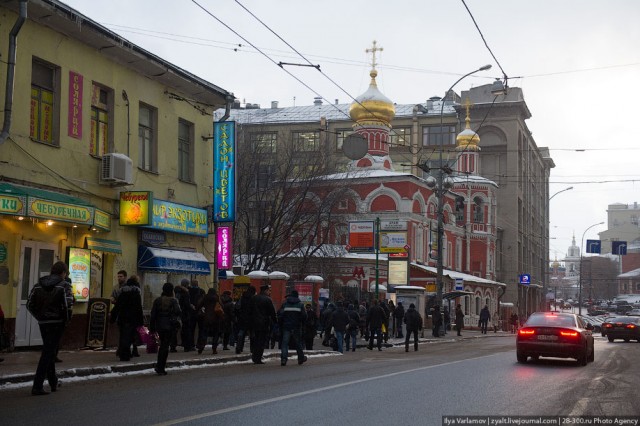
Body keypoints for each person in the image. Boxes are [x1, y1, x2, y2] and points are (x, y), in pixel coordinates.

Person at [26, 261, 70, 395]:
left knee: (49, 350)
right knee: (47, 353)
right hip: (57, 323)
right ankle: (37, 385)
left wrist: (40, 317)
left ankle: (53, 382)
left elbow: (29, 304)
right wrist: (66, 320)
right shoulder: (64, 285)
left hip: (43, 323)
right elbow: (68, 305)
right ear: (63, 273)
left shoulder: (38, 285)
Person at [149, 282, 181, 375]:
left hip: (159, 325)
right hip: (169, 326)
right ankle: (161, 367)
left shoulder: (157, 300)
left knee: (162, 345)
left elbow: (153, 315)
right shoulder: (173, 300)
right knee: (165, 347)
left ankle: (159, 366)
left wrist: (152, 327)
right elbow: (178, 312)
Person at [110, 276, 144, 361]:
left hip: (122, 318)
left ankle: (123, 353)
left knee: (123, 336)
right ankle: (126, 354)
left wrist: (113, 317)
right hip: (132, 319)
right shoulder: (136, 294)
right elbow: (139, 308)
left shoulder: (123, 293)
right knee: (129, 337)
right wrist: (141, 322)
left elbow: (118, 306)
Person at [279, 290, 307, 366]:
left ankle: (284, 359)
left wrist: (282, 323)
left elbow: (280, 315)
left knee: (285, 343)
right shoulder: (300, 305)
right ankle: (300, 358)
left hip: (286, 326)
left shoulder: (285, 304)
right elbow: (304, 316)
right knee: (298, 343)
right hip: (296, 327)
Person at [250, 284, 276, 364]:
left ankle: (254, 356)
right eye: (269, 290)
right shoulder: (268, 299)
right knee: (261, 341)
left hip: (254, 322)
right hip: (264, 323)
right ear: (265, 290)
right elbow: (272, 312)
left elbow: (249, 310)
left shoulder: (253, 298)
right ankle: (258, 358)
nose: (269, 292)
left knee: (255, 339)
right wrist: (275, 321)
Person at [197, 289, 223, 354]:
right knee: (216, 333)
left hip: (206, 318)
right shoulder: (217, 297)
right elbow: (222, 306)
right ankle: (214, 349)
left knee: (205, 332)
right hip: (216, 318)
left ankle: (201, 346)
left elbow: (199, 305)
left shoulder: (205, 297)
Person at [235, 286, 256, 354]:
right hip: (251, 319)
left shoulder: (242, 297)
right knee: (252, 334)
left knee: (241, 333)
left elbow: (237, 307)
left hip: (242, 318)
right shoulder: (254, 298)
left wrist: (239, 315)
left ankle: (239, 347)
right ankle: (252, 349)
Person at [174, 279, 194, 352]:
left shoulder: (177, 292)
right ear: (186, 284)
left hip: (177, 313)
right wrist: (191, 306)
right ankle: (187, 346)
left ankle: (174, 345)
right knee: (186, 330)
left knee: (176, 330)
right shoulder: (185, 293)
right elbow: (186, 304)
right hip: (185, 313)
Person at [188, 279, 206, 351]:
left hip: (191, 313)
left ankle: (191, 344)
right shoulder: (201, 291)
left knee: (191, 329)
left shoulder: (188, 291)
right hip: (200, 312)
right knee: (201, 329)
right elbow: (204, 302)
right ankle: (199, 344)